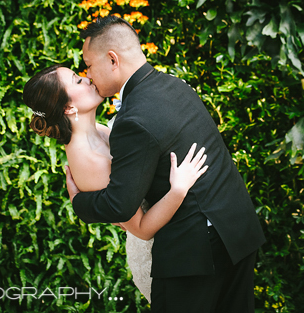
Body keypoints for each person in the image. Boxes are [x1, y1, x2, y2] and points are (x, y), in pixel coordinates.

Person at [67, 15, 265, 313]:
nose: (89, 74)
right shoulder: (174, 85)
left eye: (89, 65)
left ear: (112, 59)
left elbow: (120, 205)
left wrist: (78, 202)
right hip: (237, 228)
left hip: (195, 252)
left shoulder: (133, 119)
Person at [23, 63, 209, 301]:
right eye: (77, 81)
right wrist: (179, 189)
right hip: (161, 257)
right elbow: (141, 229)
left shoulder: (98, 131)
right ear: (69, 107)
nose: (87, 78)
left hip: (177, 234)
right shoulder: (89, 161)